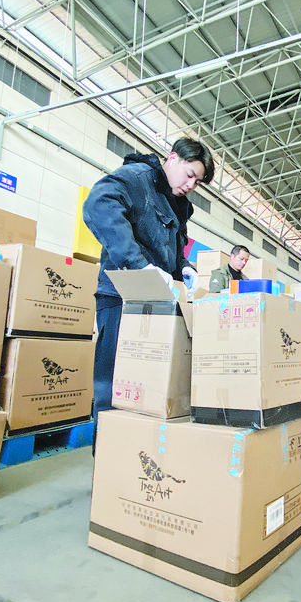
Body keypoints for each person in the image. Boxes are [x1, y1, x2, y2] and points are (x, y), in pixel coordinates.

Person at [82, 137, 215, 416]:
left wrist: (184, 267)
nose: (191, 185)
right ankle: (106, 441)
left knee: (146, 387)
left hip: (156, 301)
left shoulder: (179, 205)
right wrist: (138, 265)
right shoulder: (137, 178)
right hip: (122, 297)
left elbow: (173, 247)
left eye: (198, 182)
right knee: (114, 385)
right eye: (190, 175)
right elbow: (99, 204)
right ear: (173, 158)